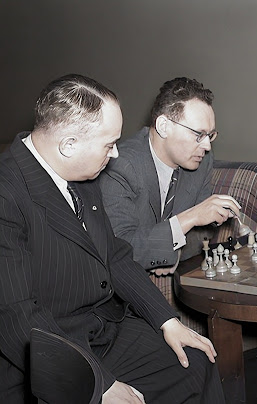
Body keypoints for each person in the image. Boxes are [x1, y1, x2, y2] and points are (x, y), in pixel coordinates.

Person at [0, 74, 225, 403]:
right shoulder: (7, 193)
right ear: (69, 145)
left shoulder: (81, 172)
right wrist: (98, 384)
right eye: (109, 144)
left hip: (101, 330)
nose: (117, 154)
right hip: (48, 351)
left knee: (196, 361)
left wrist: (167, 320)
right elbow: (17, 316)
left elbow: (116, 256)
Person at [98, 77, 240, 332]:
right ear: (163, 126)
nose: (207, 146)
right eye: (199, 134)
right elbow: (120, 250)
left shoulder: (201, 162)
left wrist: (171, 248)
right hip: (113, 302)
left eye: (210, 135)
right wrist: (190, 218)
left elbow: (202, 237)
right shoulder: (119, 166)